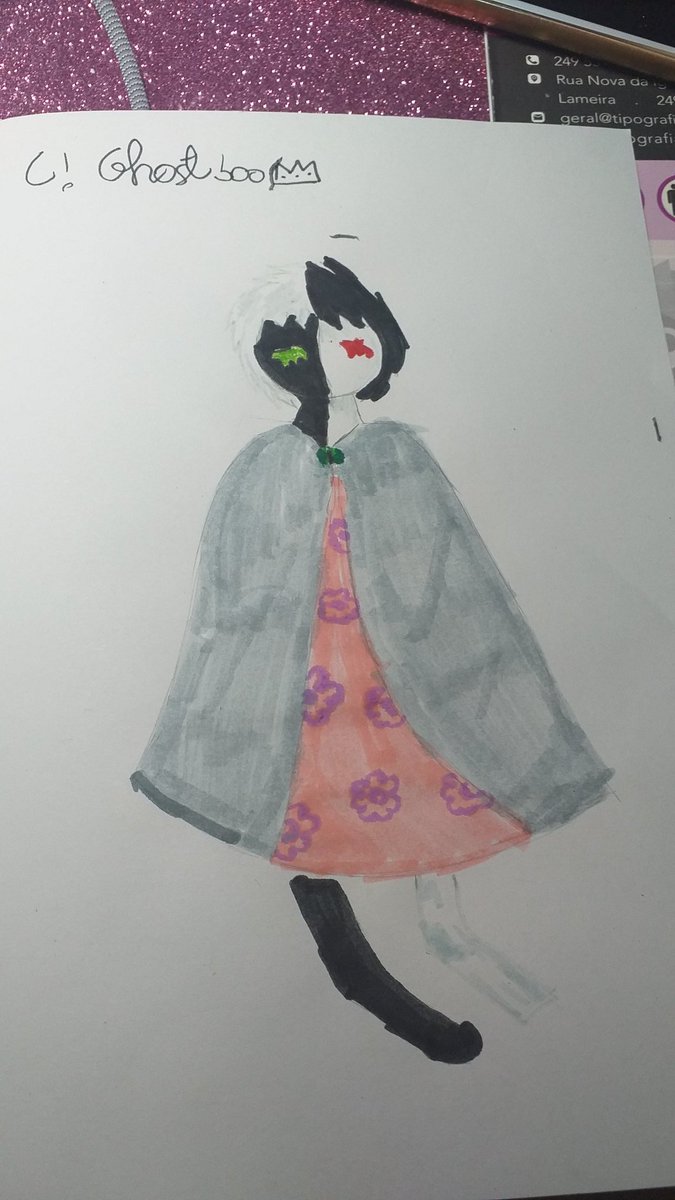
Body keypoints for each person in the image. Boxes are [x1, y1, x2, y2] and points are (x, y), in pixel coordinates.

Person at [132, 256, 611, 1063]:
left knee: (435, 793)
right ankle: (356, 954)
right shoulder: (261, 463)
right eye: (301, 349)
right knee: (312, 806)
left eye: (349, 337)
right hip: (304, 684)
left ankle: (459, 948)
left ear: (379, 339)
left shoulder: (399, 454)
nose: (330, 359)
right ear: (277, 366)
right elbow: (230, 594)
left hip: (408, 676)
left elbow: (457, 573)